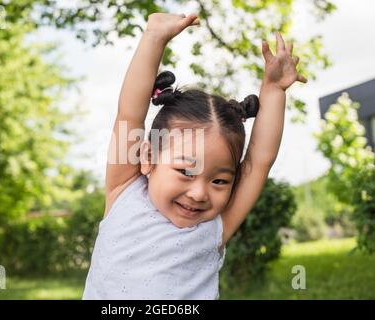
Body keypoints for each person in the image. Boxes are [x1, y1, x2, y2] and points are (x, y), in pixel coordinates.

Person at [82, 12, 307, 300]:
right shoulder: (123, 191)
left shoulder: (215, 227)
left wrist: (274, 89)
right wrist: (154, 38)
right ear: (148, 156)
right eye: (186, 172)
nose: (199, 193)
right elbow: (129, 114)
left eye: (220, 181)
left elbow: (259, 162)